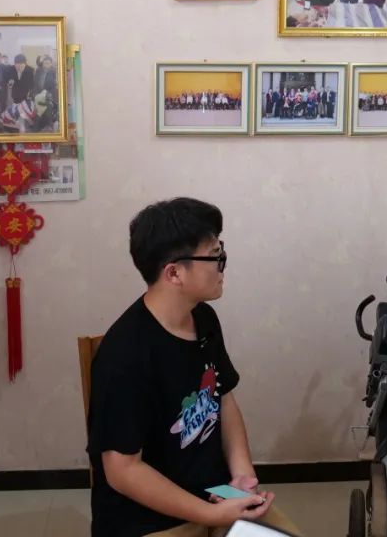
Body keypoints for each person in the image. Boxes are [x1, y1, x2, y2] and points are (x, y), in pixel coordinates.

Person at [87, 198, 302, 536]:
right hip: (149, 521)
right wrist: (210, 515)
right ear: (174, 273)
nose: (222, 266)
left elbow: (223, 399)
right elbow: (123, 470)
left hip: (215, 497)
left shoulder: (203, 318)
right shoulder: (125, 356)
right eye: (215, 256)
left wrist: (242, 477)